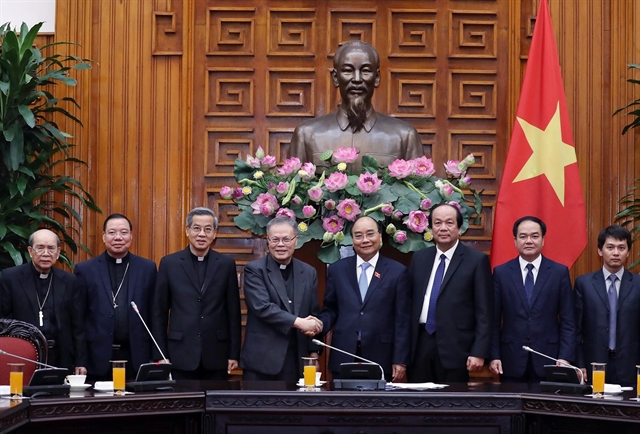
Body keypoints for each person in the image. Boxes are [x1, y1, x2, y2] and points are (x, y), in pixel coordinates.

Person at [288, 40, 423, 172]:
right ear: (335, 77)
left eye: (365, 71)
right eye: (348, 71)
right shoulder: (307, 134)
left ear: (376, 78)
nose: (357, 79)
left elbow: (420, 191)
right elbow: (293, 190)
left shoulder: (404, 136)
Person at [151, 207, 241, 380]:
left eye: (208, 229)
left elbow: (233, 313)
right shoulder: (169, 263)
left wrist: (233, 353)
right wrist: (160, 353)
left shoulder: (226, 264)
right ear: (187, 231)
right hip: (179, 353)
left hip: (216, 353)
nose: (202, 234)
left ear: (214, 233)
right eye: (196, 228)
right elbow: (159, 313)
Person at [408, 203, 493, 383]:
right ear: (431, 228)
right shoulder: (419, 258)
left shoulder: (476, 261)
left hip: (456, 347)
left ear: (459, 228)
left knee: (452, 405)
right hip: (420, 343)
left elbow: (485, 312)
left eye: (449, 223)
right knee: (418, 405)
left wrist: (479, 351)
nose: (443, 228)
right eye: (437, 223)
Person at [318, 216, 410, 382]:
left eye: (370, 234)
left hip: (382, 356)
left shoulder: (397, 272)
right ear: (352, 239)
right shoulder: (338, 270)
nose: (365, 240)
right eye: (358, 235)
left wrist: (400, 359)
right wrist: (318, 325)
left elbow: (402, 320)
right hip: (343, 353)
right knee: (343, 406)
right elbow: (330, 309)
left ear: (380, 236)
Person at [489, 216, 576, 382]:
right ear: (515, 241)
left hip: (550, 360)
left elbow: (568, 321)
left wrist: (565, 357)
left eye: (535, 236)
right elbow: (493, 320)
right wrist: (494, 355)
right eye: (523, 236)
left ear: (543, 240)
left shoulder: (559, 273)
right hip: (510, 359)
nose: (529, 241)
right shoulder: (501, 273)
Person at [74, 214, 157, 381]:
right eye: (112, 232)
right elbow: (78, 319)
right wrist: (80, 360)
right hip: (97, 357)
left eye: (124, 232)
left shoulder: (147, 268)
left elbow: (155, 315)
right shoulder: (85, 270)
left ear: (131, 236)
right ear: (104, 237)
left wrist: (155, 356)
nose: (118, 237)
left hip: (137, 356)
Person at [240, 217, 323, 381]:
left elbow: (313, 312)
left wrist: (314, 353)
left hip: (296, 361)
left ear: (296, 241)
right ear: (267, 242)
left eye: (286, 239)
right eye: (275, 239)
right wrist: (300, 322)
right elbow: (262, 307)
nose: (280, 244)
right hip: (262, 362)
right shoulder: (254, 270)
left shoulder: (308, 272)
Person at [0, 229, 86, 374]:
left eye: (51, 248)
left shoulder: (69, 281)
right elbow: (3, 322)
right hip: (23, 356)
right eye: (40, 248)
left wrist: (80, 362)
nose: (46, 253)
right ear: (30, 251)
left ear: (58, 252)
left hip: (60, 357)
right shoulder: (11, 278)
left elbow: (77, 326)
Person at [575, 225, 640, 386]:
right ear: (600, 250)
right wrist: (579, 363)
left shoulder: (638, 284)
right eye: (610, 247)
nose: (616, 253)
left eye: (621, 248)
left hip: (631, 367)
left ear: (628, 252)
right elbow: (575, 329)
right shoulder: (584, 284)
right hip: (593, 365)